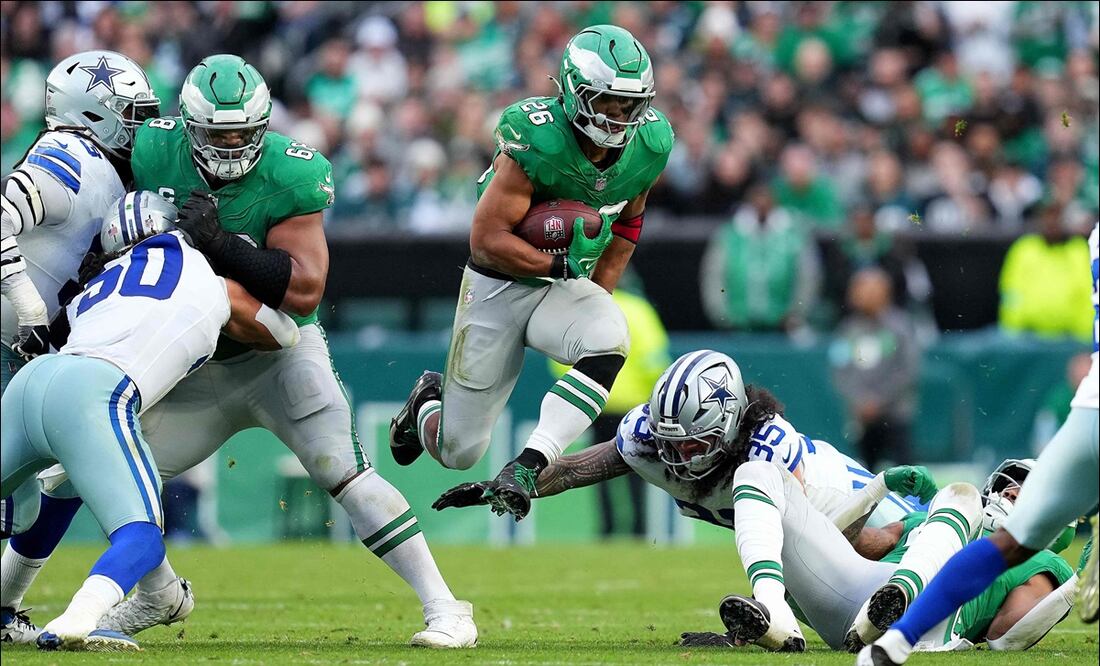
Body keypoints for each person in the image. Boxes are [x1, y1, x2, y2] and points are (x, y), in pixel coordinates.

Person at [8, 54, 477, 648]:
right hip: (197, 365)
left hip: (278, 354)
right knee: (86, 475)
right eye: (216, 133)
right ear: (186, 127)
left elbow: (303, 293)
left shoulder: (291, 172)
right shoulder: (152, 150)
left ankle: (446, 608)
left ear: (263, 127)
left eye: (242, 133)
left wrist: (218, 242)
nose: (230, 146)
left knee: (343, 471)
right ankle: (147, 596)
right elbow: (98, 208)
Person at [434, 349, 965, 654]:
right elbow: (578, 468)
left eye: (692, 443)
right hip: (824, 563)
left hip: (879, 529)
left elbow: (849, 547)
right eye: (670, 442)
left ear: (730, 426)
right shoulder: (654, 436)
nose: (677, 456)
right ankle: (773, 623)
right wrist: (506, 485)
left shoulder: (769, 452)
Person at [389, 24, 675, 522]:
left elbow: (629, 221)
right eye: (606, 102)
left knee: (609, 334)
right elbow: (486, 240)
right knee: (459, 452)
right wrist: (558, 263)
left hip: (558, 285)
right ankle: (426, 403)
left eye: (628, 106)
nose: (617, 117)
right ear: (573, 92)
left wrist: (594, 292)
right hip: (499, 283)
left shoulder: (650, 143)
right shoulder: (537, 137)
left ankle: (528, 465)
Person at [2, 191, 300, 651]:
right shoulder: (210, 277)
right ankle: (77, 619)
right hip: (95, 394)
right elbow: (285, 333)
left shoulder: (96, 285)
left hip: (30, 383)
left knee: (34, 503)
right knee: (142, 538)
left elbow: (53, 341)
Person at [859, 223, 1099, 666]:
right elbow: (864, 544)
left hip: (1090, 405)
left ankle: (897, 641)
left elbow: (1009, 634)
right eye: (1010, 484)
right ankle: (894, 642)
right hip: (1091, 403)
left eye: (1021, 486)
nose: (1010, 490)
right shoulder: (947, 516)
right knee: (988, 529)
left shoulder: (1045, 561)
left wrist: (1075, 580)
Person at [1, 49, 159, 644]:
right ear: (95, 113)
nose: (142, 126)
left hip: (23, 356)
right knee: (18, 503)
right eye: (133, 113)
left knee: (42, 488)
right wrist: (31, 307)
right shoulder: (70, 156)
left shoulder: (104, 167)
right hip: (7, 341)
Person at [830, 267, 920, 470]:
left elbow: (908, 369)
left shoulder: (901, 327)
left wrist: (878, 400)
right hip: (862, 419)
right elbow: (839, 370)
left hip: (896, 414)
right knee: (864, 475)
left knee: (906, 472)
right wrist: (859, 400)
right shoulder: (848, 330)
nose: (863, 295)